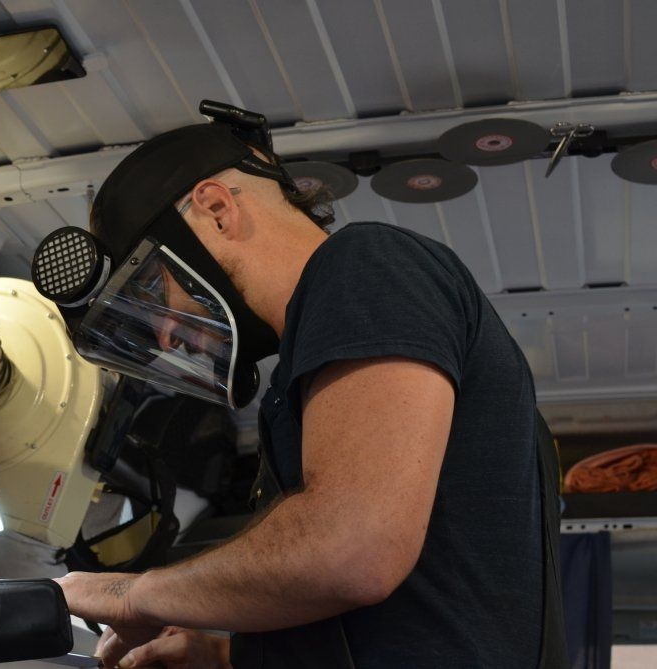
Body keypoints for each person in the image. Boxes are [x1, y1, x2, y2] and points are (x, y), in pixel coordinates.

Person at [35, 120, 567, 668]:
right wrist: (227, 657)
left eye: (151, 288)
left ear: (217, 208)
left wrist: (131, 595)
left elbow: (352, 549)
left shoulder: (364, 266)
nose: (166, 334)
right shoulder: (301, 375)